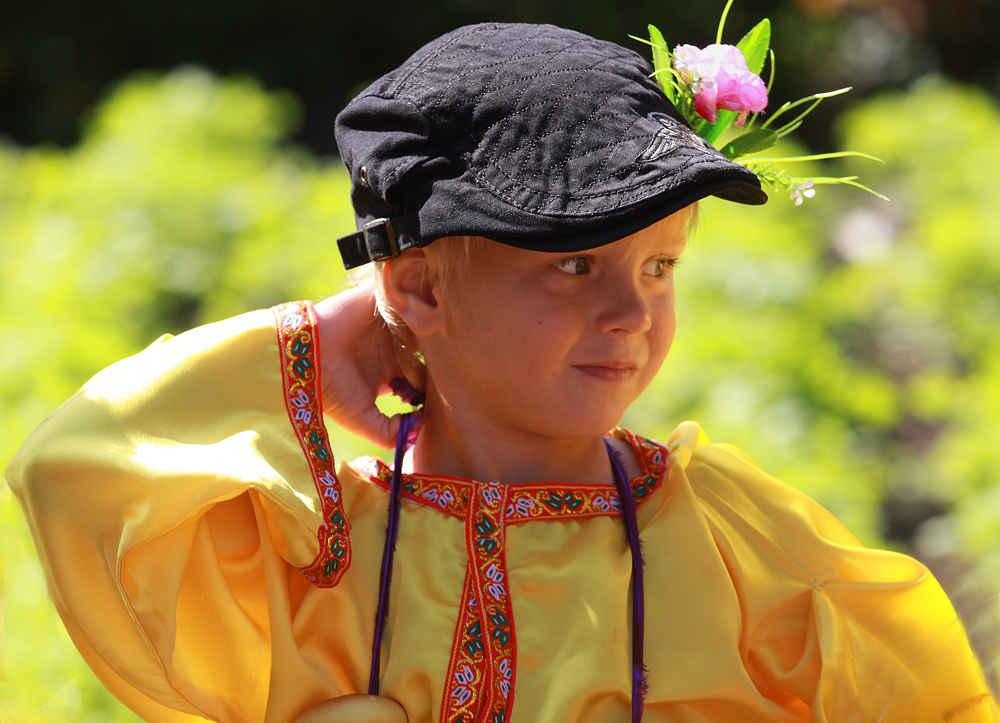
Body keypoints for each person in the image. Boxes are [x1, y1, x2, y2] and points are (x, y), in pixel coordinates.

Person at [5, 22, 997, 723]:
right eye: (572, 263)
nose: (630, 313)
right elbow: (78, 467)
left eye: (660, 267)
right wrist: (322, 333)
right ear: (421, 286)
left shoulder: (729, 540)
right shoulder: (318, 548)